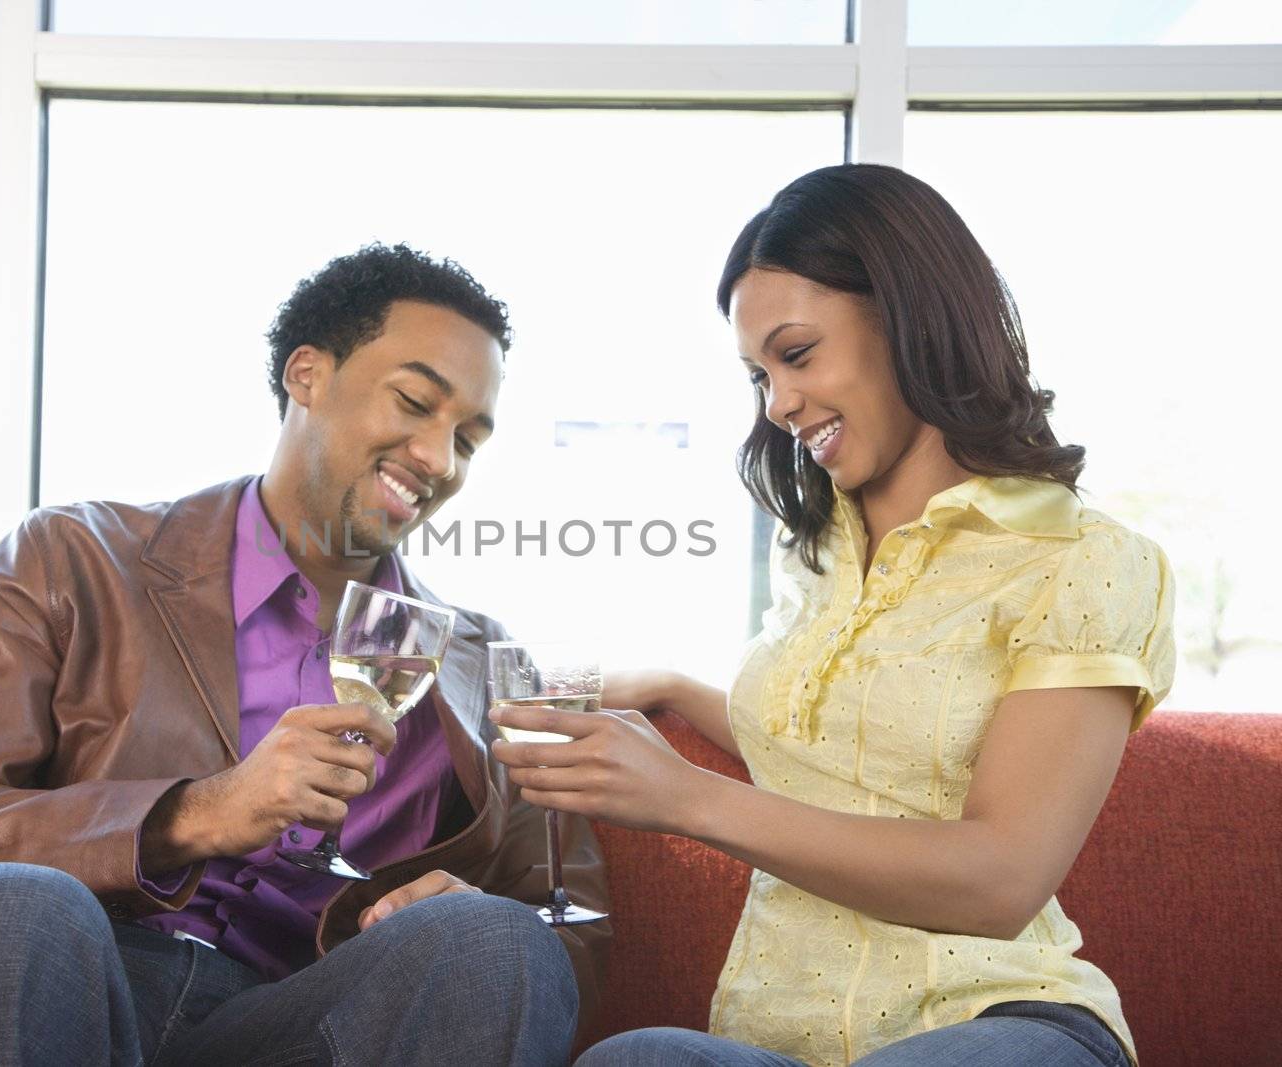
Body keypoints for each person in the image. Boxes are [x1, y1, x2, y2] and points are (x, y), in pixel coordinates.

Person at [0, 243, 609, 1066]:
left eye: (469, 440)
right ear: (307, 375)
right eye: (414, 401)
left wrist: (463, 911)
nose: (439, 461)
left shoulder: (483, 665)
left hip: (312, 1019)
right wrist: (190, 814)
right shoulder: (70, 559)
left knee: (491, 940)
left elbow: (570, 930)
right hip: (64, 982)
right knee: (12, 907)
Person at [492, 164, 1173, 1067]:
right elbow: (835, 746)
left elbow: (1001, 879)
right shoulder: (813, 555)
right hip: (777, 1046)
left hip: (1000, 1022)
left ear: (906, 315)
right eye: (758, 376)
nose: (777, 403)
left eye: (797, 354)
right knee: (633, 1060)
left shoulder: (1084, 560)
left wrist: (688, 797)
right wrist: (669, 685)